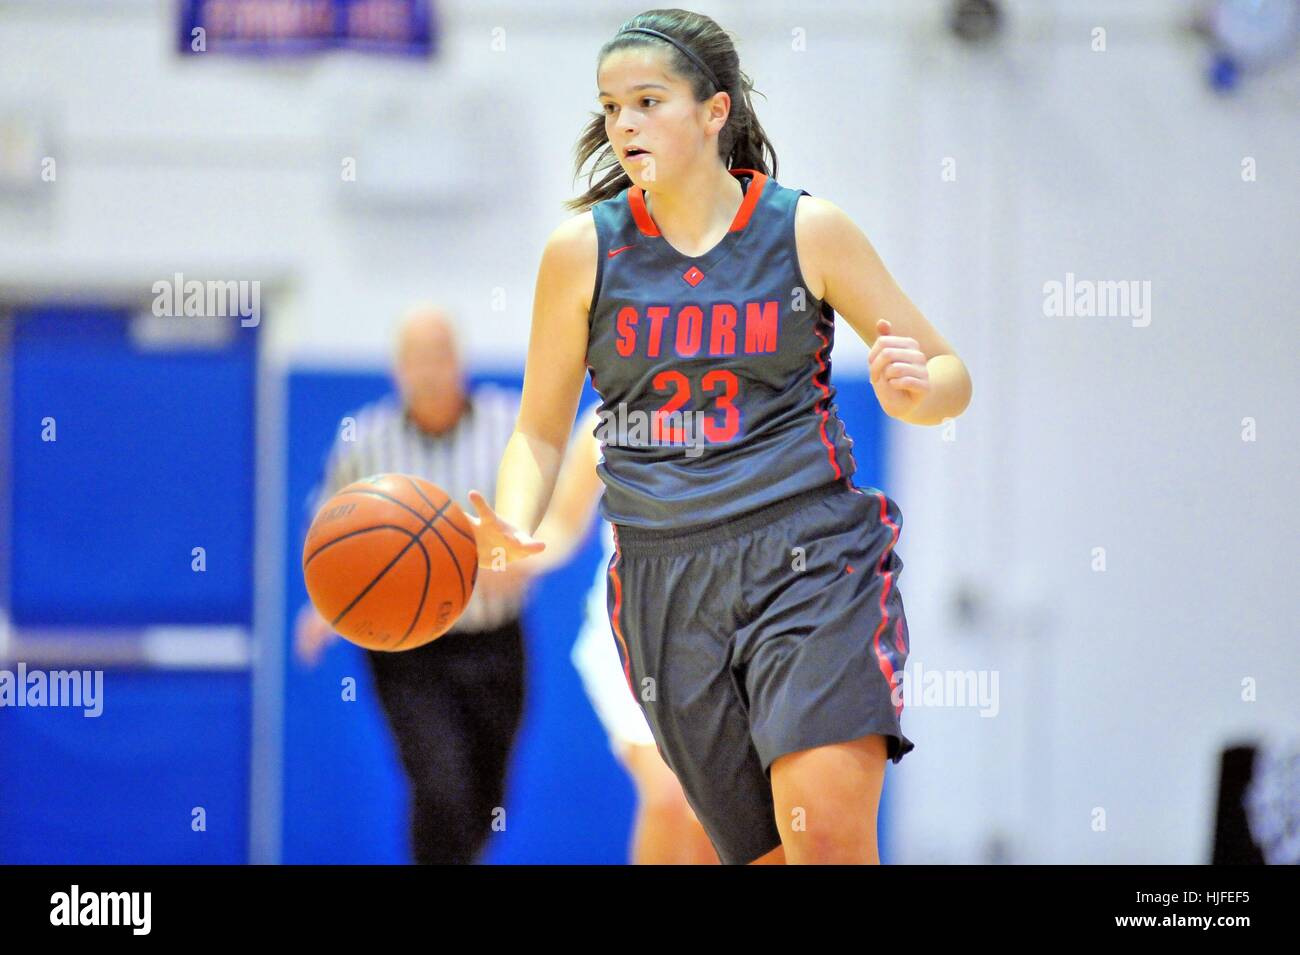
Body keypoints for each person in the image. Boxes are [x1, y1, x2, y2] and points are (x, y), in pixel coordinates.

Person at [464, 11, 973, 865]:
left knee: (827, 829)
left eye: (648, 101)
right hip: (665, 581)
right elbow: (538, 432)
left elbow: (949, 374)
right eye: (612, 106)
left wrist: (915, 393)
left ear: (714, 112)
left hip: (810, 559)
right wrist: (515, 521)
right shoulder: (582, 252)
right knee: (756, 852)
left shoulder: (807, 230)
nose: (625, 124)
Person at [295, 303, 535, 865]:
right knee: (439, 785)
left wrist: (523, 551)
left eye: (439, 354)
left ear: (460, 360)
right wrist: (324, 606)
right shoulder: (366, 441)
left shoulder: (509, 424)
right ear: (396, 368)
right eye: (415, 357)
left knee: (487, 798)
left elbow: (544, 509)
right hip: (406, 649)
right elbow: (331, 532)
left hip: (494, 637)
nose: (428, 369)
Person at [537, 404, 719, 864]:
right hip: (630, 632)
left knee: (714, 821)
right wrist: (511, 553)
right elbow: (560, 526)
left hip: (721, 629)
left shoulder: (739, 402)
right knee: (668, 797)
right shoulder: (610, 416)